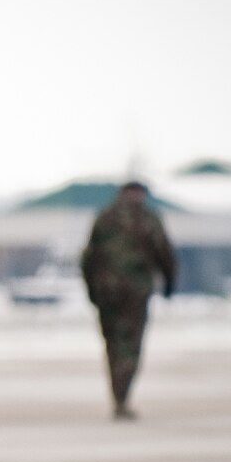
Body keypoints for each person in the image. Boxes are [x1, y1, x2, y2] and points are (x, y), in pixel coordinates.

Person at [79, 180, 177, 420]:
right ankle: (122, 398)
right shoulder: (148, 218)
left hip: (107, 291)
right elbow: (164, 253)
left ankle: (118, 396)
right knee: (130, 344)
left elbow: (88, 257)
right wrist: (169, 285)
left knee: (112, 343)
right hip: (136, 290)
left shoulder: (105, 217)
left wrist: (92, 289)